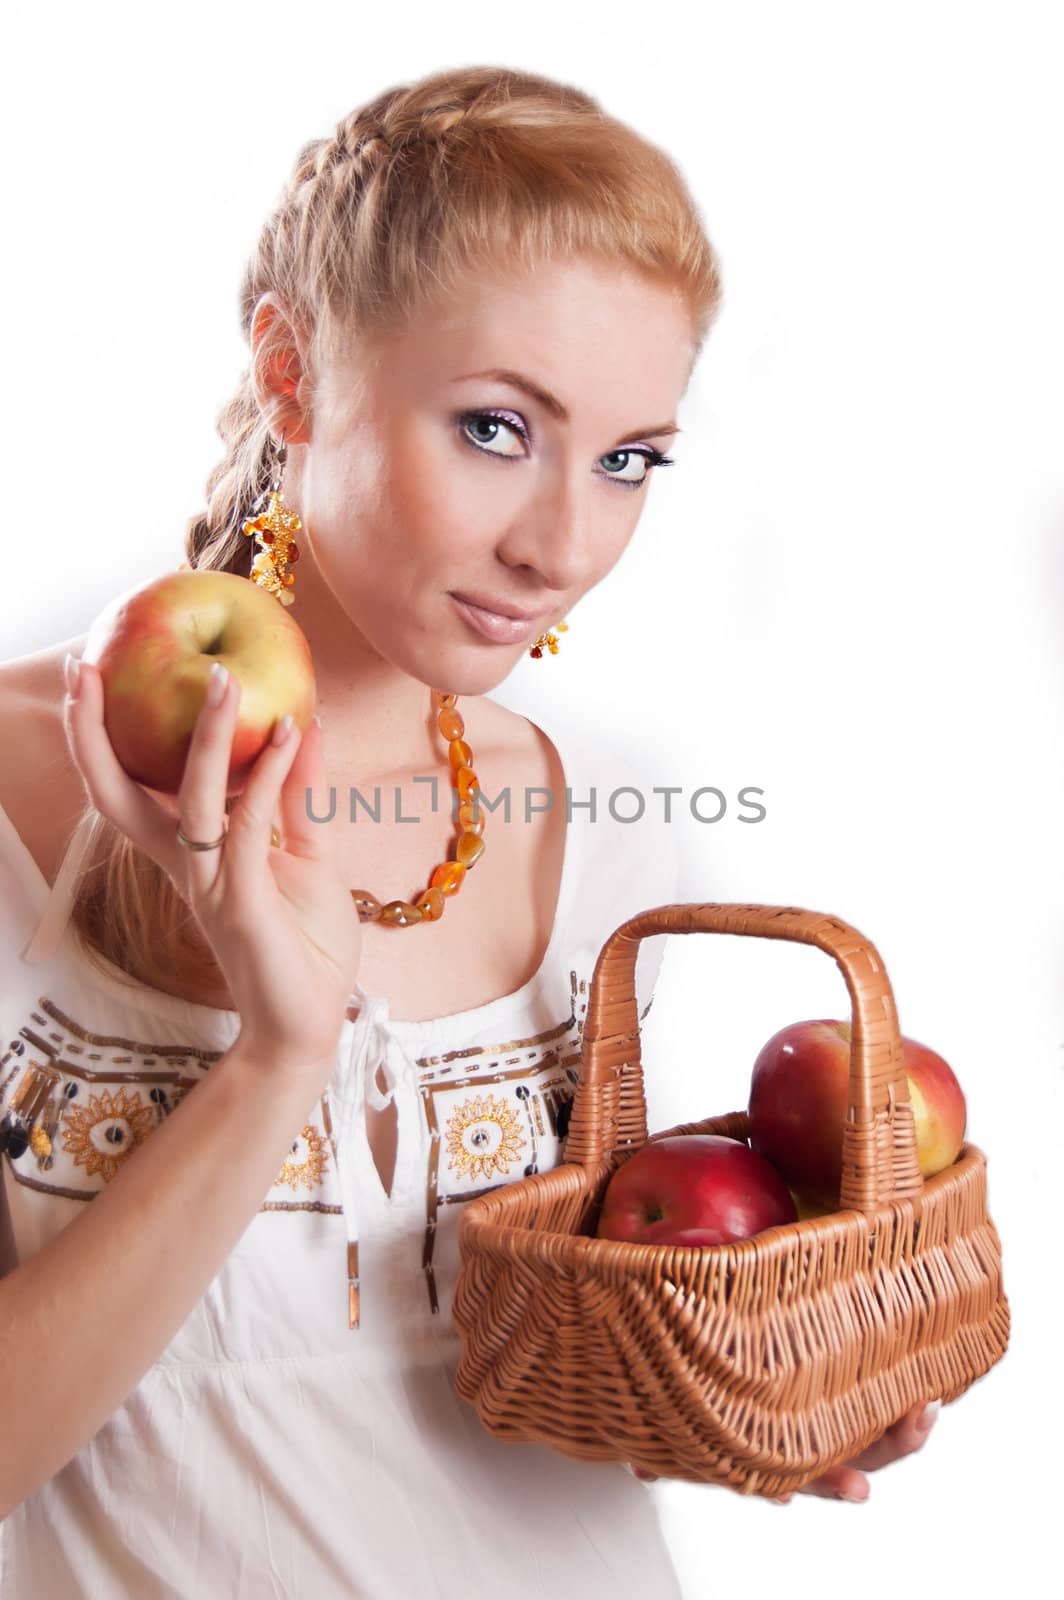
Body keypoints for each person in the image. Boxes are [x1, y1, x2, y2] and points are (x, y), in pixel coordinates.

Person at [0, 64, 941, 1598]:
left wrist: (740, 1391)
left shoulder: (598, 843)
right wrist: (274, 1067)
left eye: (630, 458)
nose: (567, 544)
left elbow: (506, 1388)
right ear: (291, 374)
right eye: (499, 428)